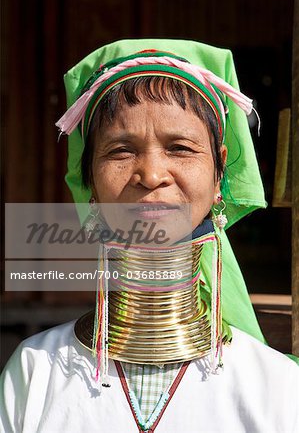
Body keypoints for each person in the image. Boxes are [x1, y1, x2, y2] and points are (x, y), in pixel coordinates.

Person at [1, 39, 298, 433]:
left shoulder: (277, 388)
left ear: (219, 175)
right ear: (89, 179)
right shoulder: (34, 372)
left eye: (180, 148)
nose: (152, 175)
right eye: (121, 151)